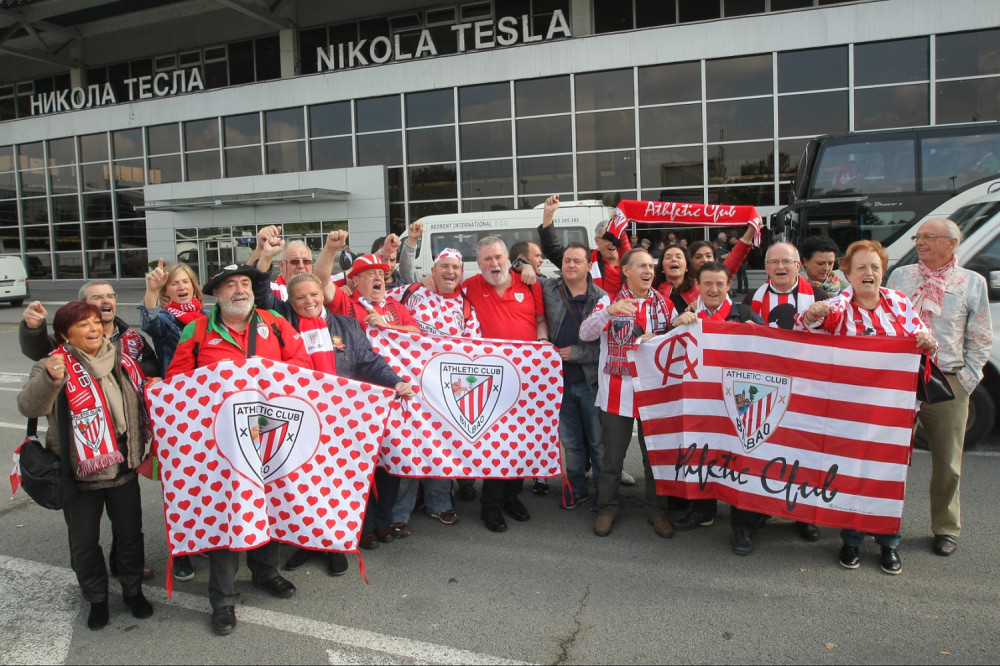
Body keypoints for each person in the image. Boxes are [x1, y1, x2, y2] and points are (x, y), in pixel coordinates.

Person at [168, 264, 313, 636]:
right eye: (230, 285)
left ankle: (265, 572)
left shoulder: (276, 323)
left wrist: (266, 379)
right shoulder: (196, 330)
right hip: (219, 447)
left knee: (267, 506)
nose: (239, 290)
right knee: (226, 514)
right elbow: (177, 384)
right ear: (216, 295)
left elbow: (303, 366)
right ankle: (223, 598)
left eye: (245, 283)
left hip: (270, 438)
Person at [252, 270, 414, 571]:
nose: (308, 301)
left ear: (322, 294)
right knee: (303, 484)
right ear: (291, 300)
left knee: (335, 482)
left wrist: (396, 382)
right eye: (300, 297)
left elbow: (370, 362)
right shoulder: (281, 325)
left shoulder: (348, 326)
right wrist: (266, 257)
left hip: (340, 420)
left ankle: (333, 546)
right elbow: (261, 294)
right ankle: (305, 543)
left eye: (313, 294)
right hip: (298, 420)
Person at [799, 240, 937, 574]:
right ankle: (852, 539)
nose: (869, 273)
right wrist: (812, 314)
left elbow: (922, 339)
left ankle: (889, 542)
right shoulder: (838, 307)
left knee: (888, 476)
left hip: (892, 412)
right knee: (852, 475)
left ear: (883, 271)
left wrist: (927, 342)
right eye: (861, 267)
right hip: (851, 413)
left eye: (875, 267)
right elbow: (808, 327)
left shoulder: (899, 303)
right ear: (847, 272)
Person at [18, 301, 154, 630]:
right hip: (78, 473)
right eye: (83, 325)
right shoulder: (53, 364)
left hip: (123, 467)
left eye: (95, 323)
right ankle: (96, 598)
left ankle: (132, 590)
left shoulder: (123, 361)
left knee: (130, 536)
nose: (93, 329)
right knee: (84, 542)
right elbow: (28, 405)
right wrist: (50, 379)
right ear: (64, 334)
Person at [887, 218, 993, 557]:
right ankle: (886, 525)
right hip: (901, 380)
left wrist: (965, 381)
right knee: (890, 459)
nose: (920, 242)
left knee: (948, 463)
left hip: (947, 380)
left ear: (951, 243)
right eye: (919, 236)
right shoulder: (900, 277)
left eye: (929, 237)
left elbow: (980, 337)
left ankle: (946, 528)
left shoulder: (971, 283)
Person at [580, 248, 678, 539]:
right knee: (612, 459)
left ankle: (657, 510)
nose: (649, 271)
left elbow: (677, 342)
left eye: (651, 266)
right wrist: (608, 313)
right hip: (617, 392)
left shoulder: (665, 305)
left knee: (656, 458)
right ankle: (607, 509)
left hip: (655, 394)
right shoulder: (608, 301)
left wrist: (663, 336)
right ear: (626, 271)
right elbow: (586, 334)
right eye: (642, 266)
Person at [735, 241, 826, 549]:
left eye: (787, 261)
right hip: (763, 385)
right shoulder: (752, 299)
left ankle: (805, 515)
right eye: (773, 262)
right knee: (754, 449)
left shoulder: (822, 298)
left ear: (799, 266)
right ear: (767, 267)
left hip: (807, 386)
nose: (780, 267)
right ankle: (748, 522)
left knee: (804, 452)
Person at [463, 235, 547, 532]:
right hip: (489, 380)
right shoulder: (470, 286)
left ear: (507, 259)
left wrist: (542, 346)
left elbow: (540, 320)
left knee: (519, 440)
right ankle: (491, 503)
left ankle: (512, 495)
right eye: (487, 259)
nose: (494, 263)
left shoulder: (528, 282)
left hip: (526, 377)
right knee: (494, 443)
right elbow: (441, 289)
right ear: (479, 263)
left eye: (498, 257)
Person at [397, 222, 483, 501]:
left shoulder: (466, 307)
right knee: (411, 446)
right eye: (444, 266)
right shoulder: (412, 294)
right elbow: (376, 303)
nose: (450, 272)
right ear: (432, 271)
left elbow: (475, 352)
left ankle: (440, 502)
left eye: (455, 268)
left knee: (442, 444)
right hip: (411, 385)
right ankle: (402, 511)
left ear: (461, 273)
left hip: (447, 389)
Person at [139, 258, 210, 582]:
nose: (182, 287)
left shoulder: (209, 319)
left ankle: (206, 537)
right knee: (179, 486)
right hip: (178, 413)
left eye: (186, 282)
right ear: (167, 291)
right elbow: (150, 322)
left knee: (207, 481)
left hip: (208, 411)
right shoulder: (169, 321)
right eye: (174, 283)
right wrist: (150, 291)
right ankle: (181, 553)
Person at [540, 241, 606, 510]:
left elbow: (608, 347)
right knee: (571, 444)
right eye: (567, 260)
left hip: (590, 384)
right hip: (559, 385)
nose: (570, 265)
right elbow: (517, 266)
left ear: (589, 266)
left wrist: (577, 354)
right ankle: (577, 489)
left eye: (577, 261)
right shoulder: (548, 288)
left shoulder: (602, 299)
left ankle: (604, 494)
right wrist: (523, 267)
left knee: (598, 444)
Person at [537, 193, 632, 298]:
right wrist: (548, 214)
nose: (612, 242)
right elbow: (552, 249)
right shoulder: (586, 259)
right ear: (597, 241)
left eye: (615, 237)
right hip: (595, 312)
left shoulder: (632, 261)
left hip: (627, 311)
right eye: (607, 238)